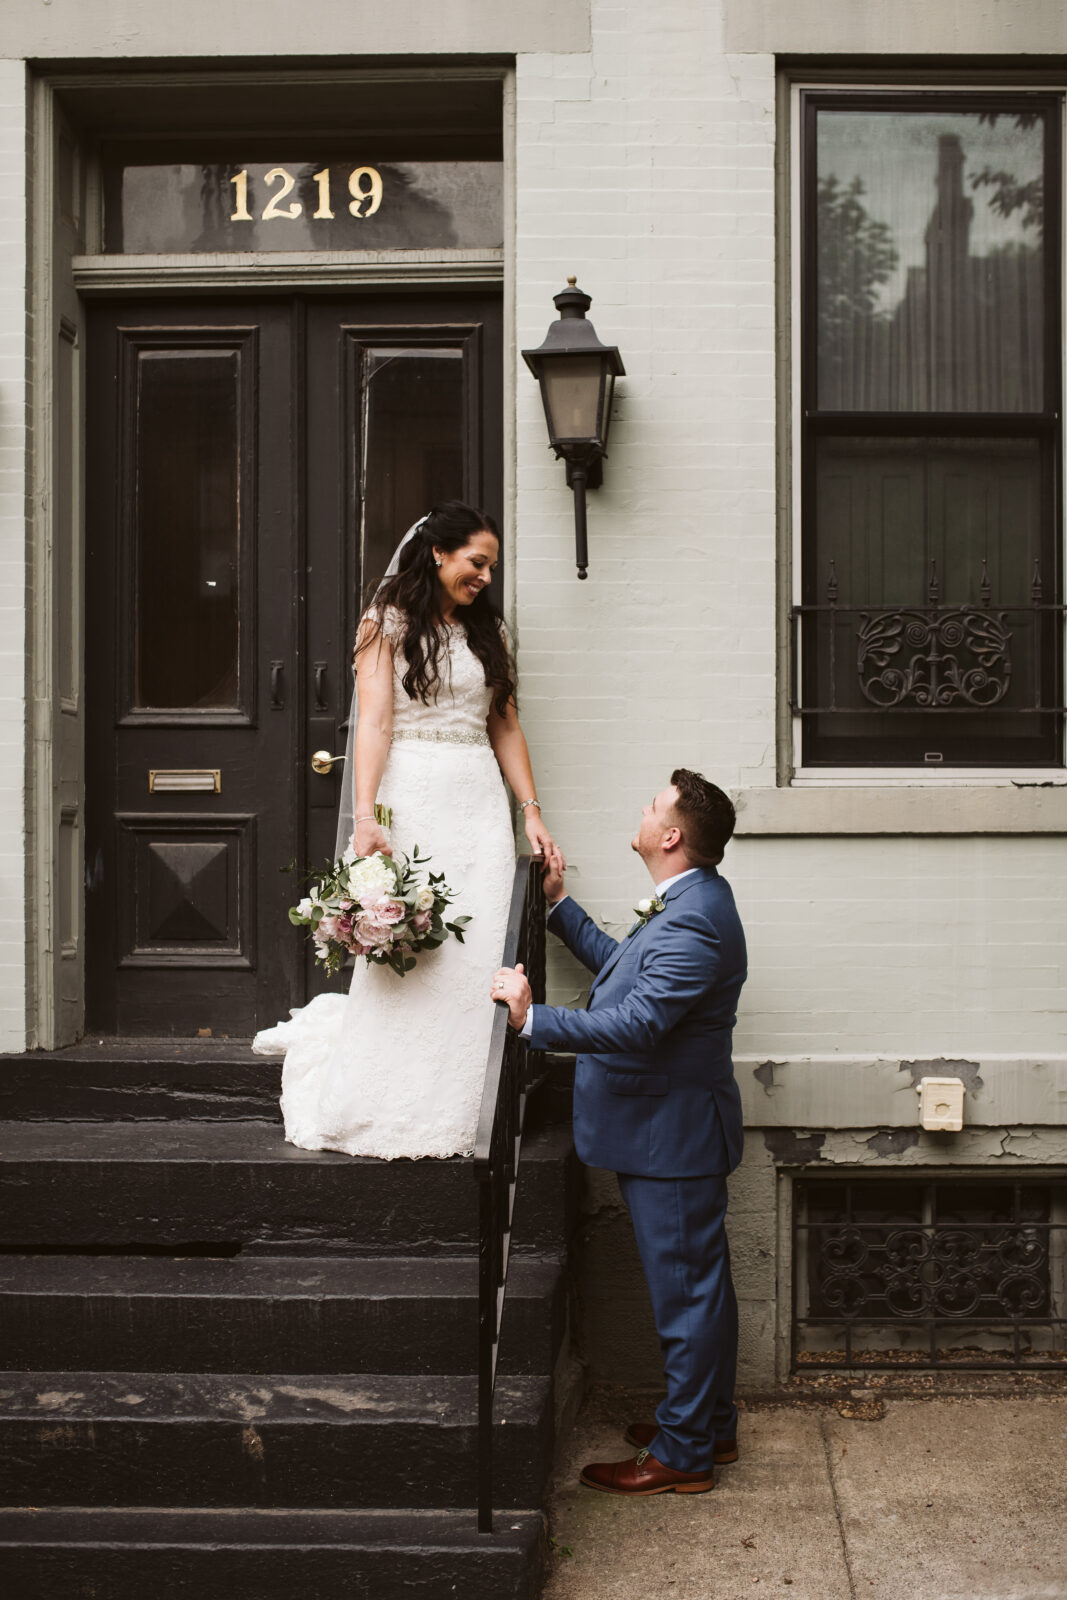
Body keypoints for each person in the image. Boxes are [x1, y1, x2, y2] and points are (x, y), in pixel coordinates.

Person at [254, 500, 563, 1159]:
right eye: (476, 563)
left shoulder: (488, 632)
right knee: (418, 946)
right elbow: (374, 724)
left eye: (491, 568)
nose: (484, 577)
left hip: (477, 797)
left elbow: (504, 724)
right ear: (437, 554)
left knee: (477, 941)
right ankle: (392, 1094)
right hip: (413, 794)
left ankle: (472, 1100)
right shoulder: (386, 621)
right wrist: (366, 816)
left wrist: (530, 810)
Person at [492, 769, 746, 1495]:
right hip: (668, 1133)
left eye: (652, 806)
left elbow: (637, 1023)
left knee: (687, 1299)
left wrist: (531, 1020)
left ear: (670, 836)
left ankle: (684, 1454)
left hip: (671, 1141)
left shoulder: (695, 916)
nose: (640, 810)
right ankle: (707, 1425)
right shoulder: (686, 902)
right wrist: (558, 906)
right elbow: (623, 975)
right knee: (700, 1291)